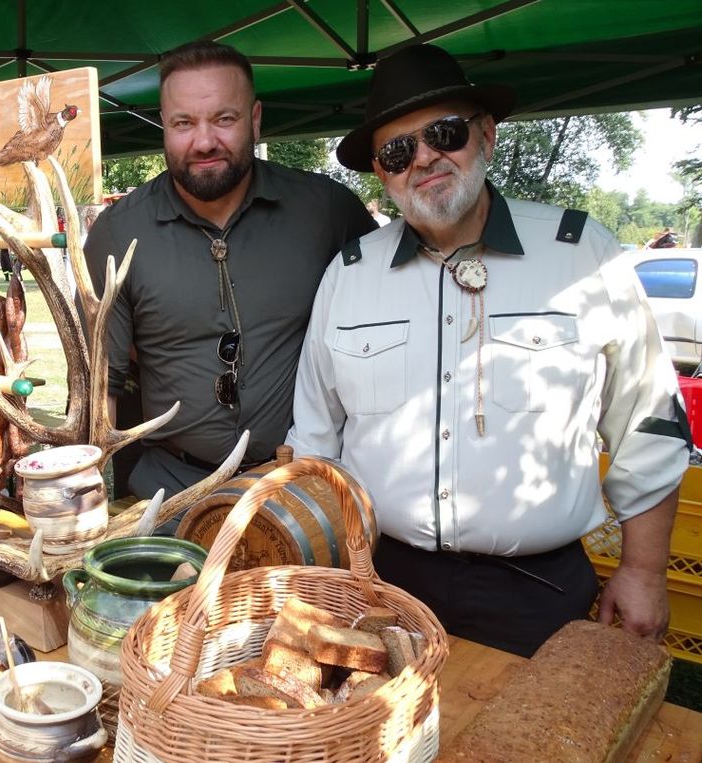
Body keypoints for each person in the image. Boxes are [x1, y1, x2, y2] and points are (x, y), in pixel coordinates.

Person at [286, 43, 690, 657]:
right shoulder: (348, 274)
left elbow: (649, 424)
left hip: (537, 591)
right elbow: (316, 440)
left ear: (487, 135)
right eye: (397, 151)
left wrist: (643, 572)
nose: (423, 158)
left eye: (443, 133)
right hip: (382, 583)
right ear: (380, 171)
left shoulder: (582, 254)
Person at [84, 40, 375, 506]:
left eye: (224, 119)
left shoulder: (326, 211)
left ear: (255, 119)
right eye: (183, 123)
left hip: (297, 489)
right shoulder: (118, 233)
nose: (203, 142)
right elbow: (101, 386)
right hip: (169, 497)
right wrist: (84, 502)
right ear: (164, 125)